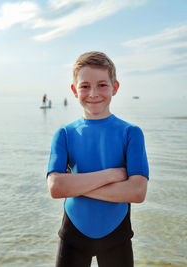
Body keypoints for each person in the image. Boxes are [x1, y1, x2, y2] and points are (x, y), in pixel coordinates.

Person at [46, 51, 149, 267]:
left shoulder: (131, 133)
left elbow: (137, 192)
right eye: (85, 86)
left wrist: (74, 185)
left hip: (117, 236)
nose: (93, 93)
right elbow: (56, 188)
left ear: (115, 87)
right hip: (73, 234)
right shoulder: (64, 134)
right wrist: (112, 175)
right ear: (74, 90)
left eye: (102, 84)